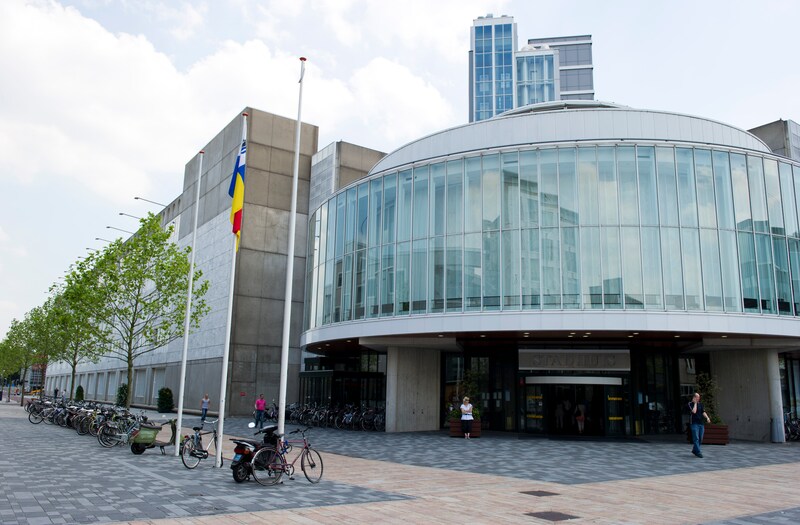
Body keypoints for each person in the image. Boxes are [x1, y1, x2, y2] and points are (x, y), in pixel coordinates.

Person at [688, 392, 711, 458]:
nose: (699, 398)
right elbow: (694, 411)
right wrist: (695, 403)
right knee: (696, 438)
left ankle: (694, 450)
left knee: (700, 438)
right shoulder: (690, 404)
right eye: (697, 397)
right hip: (694, 423)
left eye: (699, 397)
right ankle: (698, 452)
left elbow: (703, 412)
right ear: (694, 397)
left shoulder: (701, 404)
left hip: (701, 423)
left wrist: (707, 418)